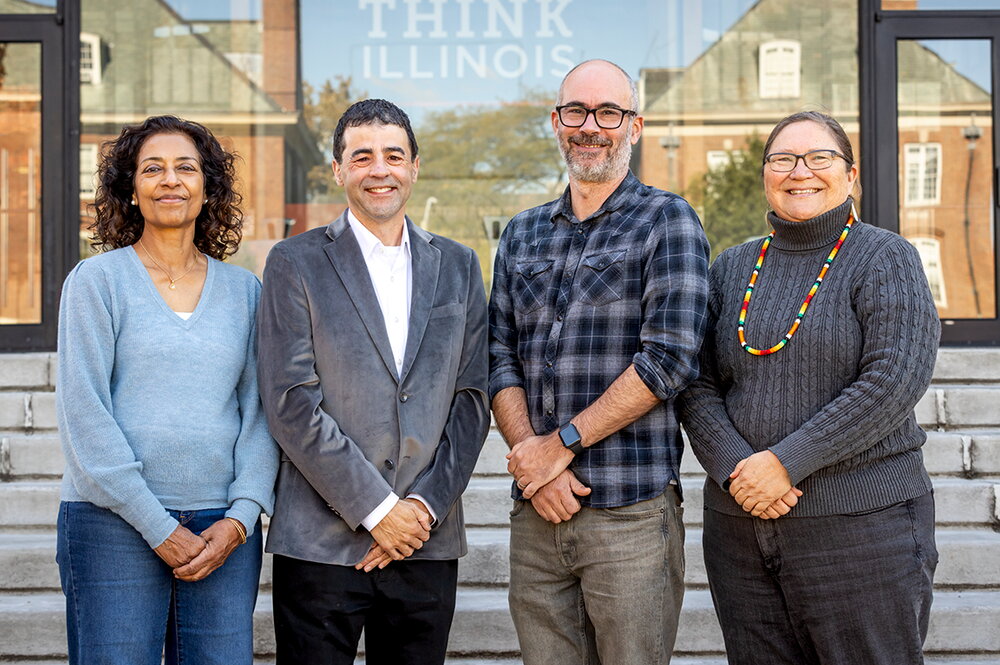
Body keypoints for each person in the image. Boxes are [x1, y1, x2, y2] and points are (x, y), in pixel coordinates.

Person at [680, 110, 940, 665]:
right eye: (783, 159)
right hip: (740, 534)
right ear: (765, 176)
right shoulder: (731, 267)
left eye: (820, 157)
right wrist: (737, 469)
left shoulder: (885, 257)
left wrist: (785, 463)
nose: (801, 171)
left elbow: (893, 380)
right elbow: (696, 381)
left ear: (851, 177)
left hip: (862, 532)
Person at [488, 59, 710, 665]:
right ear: (556, 123)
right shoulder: (521, 233)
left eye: (608, 112)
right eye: (576, 112)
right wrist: (538, 464)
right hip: (537, 513)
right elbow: (498, 356)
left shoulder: (669, 221)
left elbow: (668, 360)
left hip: (630, 513)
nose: (591, 126)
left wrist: (561, 443)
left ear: (634, 126)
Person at [257, 98, 490, 665]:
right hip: (320, 546)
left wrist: (420, 510)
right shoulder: (294, 262)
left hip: (424, 541)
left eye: (393, 155)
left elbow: (473, 400)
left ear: (414, 167)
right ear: (338, 171)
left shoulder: (459, 265)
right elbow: (290, 403)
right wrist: (377, 510)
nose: (378, 169)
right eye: (362, 157)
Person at [55, 115, 279, 665]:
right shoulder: (96, 282)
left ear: (208, 188)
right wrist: (158, 527)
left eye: (186, 167)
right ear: (130, 190)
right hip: (112, 523)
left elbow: (261, 414)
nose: (170, 180)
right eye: (152, 169)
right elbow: (85, 415)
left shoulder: (245, 291)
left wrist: (241, 517)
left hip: (220, 528)